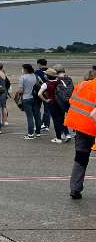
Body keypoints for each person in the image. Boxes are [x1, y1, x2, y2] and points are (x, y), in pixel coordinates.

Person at [65, 71, 96, 199]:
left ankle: (75, 189)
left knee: (80, 158)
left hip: (80, 126)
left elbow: (72, 101)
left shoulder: (81, 85)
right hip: (93, 127)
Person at [39, 67, 70, 143]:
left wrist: (45, 100)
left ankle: (58, 137)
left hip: (52, 103)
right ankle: (66, 133)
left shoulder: (46, 84)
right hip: (61, 103)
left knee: (56, 120)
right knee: (62, 119)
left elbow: (39, 94)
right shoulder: (61, 82)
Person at [18, 63, 41, 139]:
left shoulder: (22, 78)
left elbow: (21, 90)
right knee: (37, 115)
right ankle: (38, 132)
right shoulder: (36, 76)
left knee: (29, 116)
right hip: (36, 98)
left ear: (25, 69)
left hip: (26, 98)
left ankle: (30, 133)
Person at [0, 62, 10, 127]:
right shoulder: (3, 73)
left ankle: (0, 121)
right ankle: (5, 121)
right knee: (4, 107)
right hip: (4, 91)